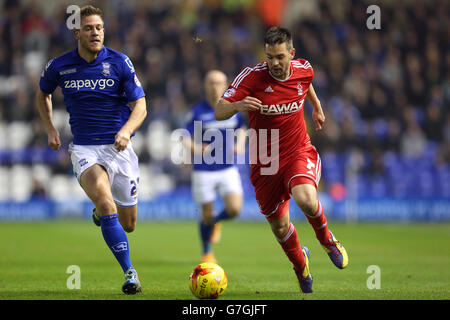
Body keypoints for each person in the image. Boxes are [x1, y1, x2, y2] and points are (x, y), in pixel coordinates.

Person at [215, 26, 348, 293]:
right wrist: (238, 106)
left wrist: (317, 106)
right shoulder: (251, 78)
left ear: (291, 54)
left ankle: (327, 239)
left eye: (280, 57)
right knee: (280, 226)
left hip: (297, 150)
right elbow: (219, 110)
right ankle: (301, 265)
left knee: (306, 199)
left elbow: (305, 84)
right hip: (265, 160)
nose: (275, 63)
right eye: (269, 57)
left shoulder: (304, 69)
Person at [36, 5, 147, 295]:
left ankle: (100, 216)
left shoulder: (120, 62)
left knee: (129, 223)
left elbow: (141, 106)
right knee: (106, 202)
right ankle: (129, 272)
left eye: (99, 27)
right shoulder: (59, 66)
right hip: (85, 150)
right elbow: (42, 92)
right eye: (88, 28)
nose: (95, 32)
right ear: (77, 33)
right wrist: (50, 127)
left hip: (119, 149)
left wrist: (126, 130)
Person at [183, 70, 246, 264]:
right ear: (205, 85)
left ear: (226, 85)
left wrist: (240, 144)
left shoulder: (231, 108)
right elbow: (183, 136)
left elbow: (242, 127)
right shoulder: (197, 111)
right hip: (204, 170)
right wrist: (196, 148)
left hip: (227, 167)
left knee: (235, 209)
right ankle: (206, 251)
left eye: (219, 83)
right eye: (211, 82)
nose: (215, 86)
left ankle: (218, 221)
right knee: (207, 214)